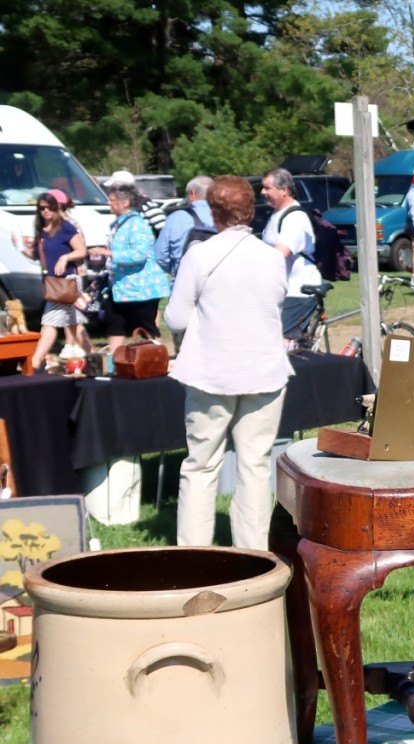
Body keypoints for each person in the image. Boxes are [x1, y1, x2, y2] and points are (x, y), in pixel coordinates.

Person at [166, 175, 292, 550]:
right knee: (255, 467)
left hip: (211, 372)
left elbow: (176, 318)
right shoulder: (271, 258)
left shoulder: (199, 255)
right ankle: (253, 556)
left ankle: (194, 555)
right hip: (264, 371)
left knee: (201, 465)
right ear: (251, 211)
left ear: (212, 211)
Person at [89, 182, 170, 351]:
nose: (108, 203)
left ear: (125, 203)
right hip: (121, 287)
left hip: (141, 289)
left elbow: (139, 255)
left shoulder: (137, 224)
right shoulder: (120, 224)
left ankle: (157, 360)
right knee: (114, 323)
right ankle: (114, 363)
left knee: (146, 328)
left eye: (112, 200)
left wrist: (109, 253)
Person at [23, 191, 89, 370]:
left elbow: (81, 251)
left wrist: (65, 258)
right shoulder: (41, 230)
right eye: (41, 208)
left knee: (50, 322)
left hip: (67, 281)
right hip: (52, 283)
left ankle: (35, 361)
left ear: (56, 208)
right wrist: (23, 248)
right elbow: (38, 255)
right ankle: (90, 358)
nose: (45, 211)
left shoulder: (65, 227)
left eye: (49, 207)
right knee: (75, 320)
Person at [259, 167, 318, 342]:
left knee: (283, 345)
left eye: (267, 188)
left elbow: (280, 254)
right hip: (281, 290)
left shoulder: (295, 218)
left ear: (284, 190)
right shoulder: (277, 214)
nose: (262, 192)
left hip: (298, 291)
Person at [155, 175, 215, 277]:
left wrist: (175, 270)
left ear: (192, 193)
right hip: (215, 281)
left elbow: (160, 255)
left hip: (183, 279)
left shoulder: (175, 218)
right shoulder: (222, 216)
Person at [102, 170, 167, 234]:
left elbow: (164, 232)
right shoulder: (126, 210)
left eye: (114, 188)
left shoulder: (148, 206)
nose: (111, 191)